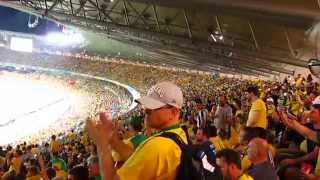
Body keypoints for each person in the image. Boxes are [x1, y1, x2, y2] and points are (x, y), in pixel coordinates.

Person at [86, 81, 187, 180]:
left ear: (173, 112)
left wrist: (101, 145)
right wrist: (113, 140)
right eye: (145, 106)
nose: (145, 111)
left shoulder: (158, 146)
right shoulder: (181, 134)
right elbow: (135, 157)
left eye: (152, 108)